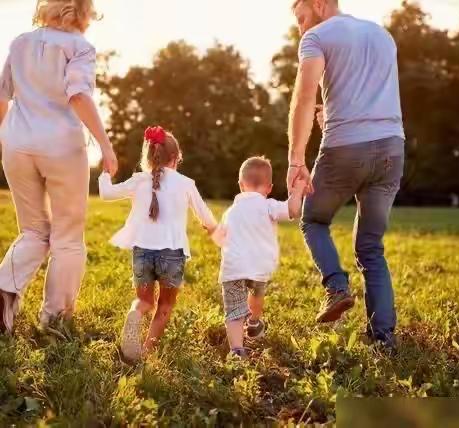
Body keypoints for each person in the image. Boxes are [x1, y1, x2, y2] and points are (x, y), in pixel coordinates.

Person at [288, 0, 405, 348]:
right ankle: (384, 338)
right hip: (391, 148)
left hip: (345, 149)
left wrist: (296, 159)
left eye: (300, 17)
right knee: (371, 247)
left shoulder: (316, 37)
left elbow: (304, 98)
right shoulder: (384, 36)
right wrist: (333, 119)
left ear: (320, 5)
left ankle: (336, 286)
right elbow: (367, 97)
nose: (299, 27)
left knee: (314, 220)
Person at [0, 0, 118, 334]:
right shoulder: (80, 47)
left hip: (16, 143)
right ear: (84, 12)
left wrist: (5, 138)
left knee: (34, 232)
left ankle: (3, 293)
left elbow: (2, 96)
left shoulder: (21, 41)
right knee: (67, 236)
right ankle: (54, 319)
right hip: (61, 147)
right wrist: (105, 145)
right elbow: (78, 95)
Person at [99, 126, 217, 363]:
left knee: (144, 301)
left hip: (142, 251)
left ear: (149, 156)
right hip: (172, 254)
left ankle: (135, 313)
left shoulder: (139, 180)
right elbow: (206, 217)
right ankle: (146, 351)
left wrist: (105, 173)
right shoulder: (185, 183)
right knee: (164, 307)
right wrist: (214, 229)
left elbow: (106, 194)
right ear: (175, 158)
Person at [215, 157, 306, 357]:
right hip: (259, 266)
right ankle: (254, 324)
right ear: (270, 187)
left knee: (234, 311)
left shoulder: (230, 212)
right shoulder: (268, 206)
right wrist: (297, 190)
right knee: (256, 294)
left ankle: (237, 350)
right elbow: (293, 209)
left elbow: (219, 238)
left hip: (233, 267)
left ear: (240, 185)